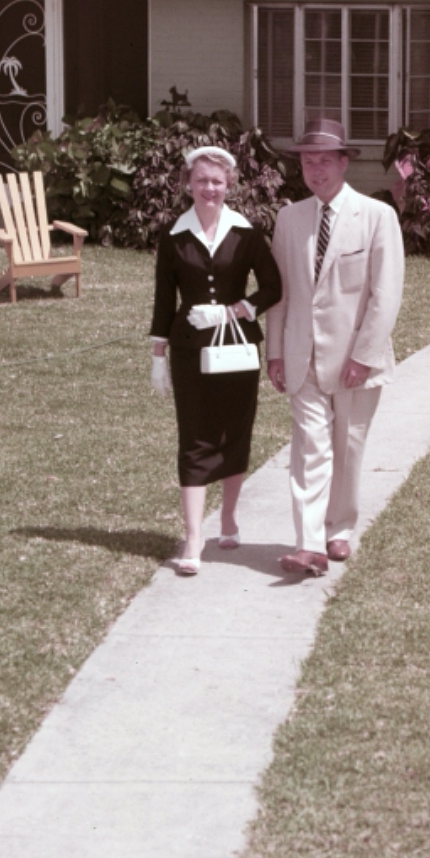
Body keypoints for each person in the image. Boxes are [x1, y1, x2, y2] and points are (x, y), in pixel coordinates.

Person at [265, 118, 405, 577]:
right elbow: (280, 292)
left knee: (348, 448)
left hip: (354, 360)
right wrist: (276, 352)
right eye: (308, 161)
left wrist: (364, 356)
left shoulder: (378, 217)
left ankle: (338, 529)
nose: (316, 169)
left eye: (325, 160)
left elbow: (386, 295)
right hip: (302, 356)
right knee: (310, 448)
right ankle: (308, 545)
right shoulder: (289, 219)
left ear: (345, 163)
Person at [150, 146, 282, 576]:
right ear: (188, 183)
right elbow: (162, 299)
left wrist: (234, 310)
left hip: (238, 348)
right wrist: (158, 354)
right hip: (190, 351)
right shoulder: (173, 236)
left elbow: (273, 287)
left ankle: (227, 519)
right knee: (194, 436)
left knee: (233, 431)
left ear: (229, 186)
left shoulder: (247, 233)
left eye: (217, 182)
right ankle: (193, 537)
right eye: (202, 180)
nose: (210, 188)